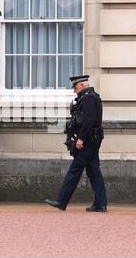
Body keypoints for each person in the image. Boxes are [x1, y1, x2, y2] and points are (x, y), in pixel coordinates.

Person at [45, 75, 108, 212]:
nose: (74, 90)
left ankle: (61, 201)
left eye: (75, 87)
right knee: (93, 171)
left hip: (88, 141)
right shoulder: (91, 97)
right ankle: (100, 203)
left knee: (74, 170)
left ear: (82, 85)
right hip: (92, 140)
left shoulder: (88, 99)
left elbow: (88, 121)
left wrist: (81, 139)